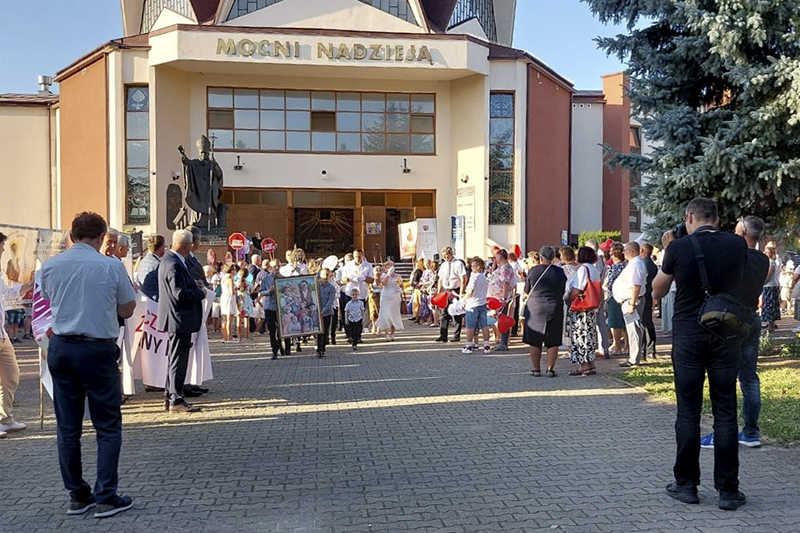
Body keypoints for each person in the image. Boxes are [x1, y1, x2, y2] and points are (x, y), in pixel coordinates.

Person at [653, 197, 749, 511]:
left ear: (690, 217)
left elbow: (660, 289)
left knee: (688, 412)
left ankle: (686, 485)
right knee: (725, 411)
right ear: (717, 219)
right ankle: (728, 491)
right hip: (725, 334)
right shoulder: (736, 245)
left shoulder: (678, 248)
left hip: (689, 336)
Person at [40, 212, 137, 517]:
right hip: (97, 348)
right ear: (100, 237)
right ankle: (106, 495)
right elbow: (128, 307)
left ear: (72, 235)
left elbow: (47, 298)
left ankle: (77, 495)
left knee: (67, 428)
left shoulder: (51, 265)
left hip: (61, 347)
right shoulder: (110, 265)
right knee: (107, 425)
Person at [699, 215, 769, 451]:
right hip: (752, 318)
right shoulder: (763, 260)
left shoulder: (734, 256)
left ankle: (722, 433)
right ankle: (751, 431)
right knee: (749, 377)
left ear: (741, 233)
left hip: (730, 319)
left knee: (724, 376)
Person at [157, 229, 207, 414]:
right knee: (178, 361)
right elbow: (178, 293)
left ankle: (170, 396)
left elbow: (178, 286)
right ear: (186, 245)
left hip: (178, 319)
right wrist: (200, 293)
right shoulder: (173, 263)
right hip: (178, 319)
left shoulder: (173, 260)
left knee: (175, 360)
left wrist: (194, 283)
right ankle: (176, 399)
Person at [0, 232, 33, 438]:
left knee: (11, 375)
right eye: (1, 247)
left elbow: (8, 293)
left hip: (1, 334)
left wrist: (29, 285)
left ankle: (5, 417)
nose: (3, 250)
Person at [523, 246, 567, 377]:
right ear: (553, 257)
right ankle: (550, 369)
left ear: (541, 257)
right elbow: (563, 289)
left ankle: (536, 369)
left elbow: (526, 290)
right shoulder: (559, 272)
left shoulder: (533, 271)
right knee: (553, 339)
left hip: (535, 307)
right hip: (554, 306)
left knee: (534, 339)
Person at [566, 247, 601, 376]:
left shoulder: (583, 269)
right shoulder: (594, 269)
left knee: (581, 335)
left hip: (582, 307)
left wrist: (569, 296)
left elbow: (578, 289)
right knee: (590, 335)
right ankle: (591, 364)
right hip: (591, 307)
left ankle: (584, 366)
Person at [614, 242, 648, 368]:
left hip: (632, 300)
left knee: (634, 330)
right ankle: (634, 357)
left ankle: (634, 359)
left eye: (625, 250)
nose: (623, 252)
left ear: (632, 252)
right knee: (632, 329)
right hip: (629, 300)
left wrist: (632, 304)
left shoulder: (636, 264)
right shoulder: (634, 264)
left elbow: (636, 285)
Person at [340, 249, 374, 341]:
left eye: (359, 257)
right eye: (356, 257)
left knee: (359, 314)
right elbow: (343, 279)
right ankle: (350, 334)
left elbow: (372, 279)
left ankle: (358, 336)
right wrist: (350, 279)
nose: (358, 259)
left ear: (362, 256)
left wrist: (364, 278)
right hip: (350, 292)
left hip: (361, 293)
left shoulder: (368, 265)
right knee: (349, 314)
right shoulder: (348, 265)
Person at [435, 247, 467, 342]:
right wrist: (438, 292)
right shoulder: (444, 265)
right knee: (444, 313)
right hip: (446, 290)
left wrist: (461, 292)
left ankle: (456, 335)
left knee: (456, 312)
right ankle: (443, 335)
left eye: (447, 255)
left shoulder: (458, 264)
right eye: (444, 255)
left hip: (455, 290)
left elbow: (463, 279)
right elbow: (440, 279)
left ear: (451, 253)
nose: (445, 257)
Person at [461, 257, 491, 354]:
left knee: (470, 326)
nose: (471, 268)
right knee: (484, 325)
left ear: (478, 267)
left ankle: (469, 345)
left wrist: (463, 299)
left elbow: (470, 291)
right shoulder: (484, 277)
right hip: (482, 303)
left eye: (473, 266)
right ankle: (487, 346)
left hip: (473, 304)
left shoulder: (474, 276)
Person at [488, 249, 515, 350]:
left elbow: (506, 283)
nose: (495, 259)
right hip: (496, 297)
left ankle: (504, 342)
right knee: (498, 319)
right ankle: (502, 341)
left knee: (502, 319)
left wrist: (504, 297)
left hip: (501, 298)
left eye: (496, 257)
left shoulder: (505, 268)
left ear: (500, 256)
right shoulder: (501, 267)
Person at [604, 243, 628, 355]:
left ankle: (617, 346)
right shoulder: (626, 265)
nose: (609, 253)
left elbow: (609, 284)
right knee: (624, 323)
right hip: (624, 296)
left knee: (615, 323)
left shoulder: (615, 267)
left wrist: (603, 286)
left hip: (614, 296)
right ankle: (627, 345)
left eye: (611, 252)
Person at [375, 261, 405, 341]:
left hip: (394, 297)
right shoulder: (383, 275)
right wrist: (388, 274)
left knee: (393, 314)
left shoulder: (398, 276)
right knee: (385, 315)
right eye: (387, 266)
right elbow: (384, 283)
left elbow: (402, 286)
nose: (389, 267)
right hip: (385, 297)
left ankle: (392, 333)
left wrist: (400, 288)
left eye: (391, 266)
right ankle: (386, 333)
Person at [258, 260, 282, 359]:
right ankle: (274, 349)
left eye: (278, 266)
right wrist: (268, 291)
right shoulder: (266, 279)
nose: (276, 268)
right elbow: (261, 292)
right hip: (269, 306)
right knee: (272, 329)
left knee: (281, 329)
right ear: (270, 267)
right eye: (274, 266)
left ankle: (281, 345)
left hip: (280, 306)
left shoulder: (283, 278)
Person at [640, 243, 660, 359]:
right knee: (648, 322)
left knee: (644, 323)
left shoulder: (643, 264)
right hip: (649, 294)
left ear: (642, 250)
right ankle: (650, 349)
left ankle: (646, 349)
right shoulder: (652, 264)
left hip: (645, 294)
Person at [136, 235, 166, 301]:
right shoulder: (158, 264)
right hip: (156, 302)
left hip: (144, 300)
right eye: (164, 247)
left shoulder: (142, 262)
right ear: (160, 248)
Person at [660, 231, 677, 336]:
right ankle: (669, 327)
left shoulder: (671, 252)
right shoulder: (667, 252)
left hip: (672, 285)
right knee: (668, 307)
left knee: (671, 308)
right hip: (670, 285)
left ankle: (672, 328)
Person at [316, 268, 337, 357]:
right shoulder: (317, 286)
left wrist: (324, 309)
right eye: (323, 274)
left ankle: (323, 346)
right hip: (317, 311)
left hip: (327, 311)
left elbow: (331, 300)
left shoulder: (331, 287)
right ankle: (319, 348)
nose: (325, 277)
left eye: (327, 275)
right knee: (319, 331)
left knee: (325, 330)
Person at [761, 245, 781, 332]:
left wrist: (763, 281)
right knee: (767, 304)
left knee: (771, 305)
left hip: (770, 285)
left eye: (767, 252)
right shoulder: (767, 261)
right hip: (768, 285)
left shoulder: (771, 262)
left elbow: (769, 274)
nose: (765, 253)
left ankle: (772, 325)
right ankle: (770, 323)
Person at [219, 264, 237, 342]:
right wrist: (236, 290)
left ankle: (225, 337)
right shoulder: (230, 279)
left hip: (223, 298)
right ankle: (230, 337)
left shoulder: (224, 278)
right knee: (230, 319)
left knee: (224, 319)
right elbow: (232, 292)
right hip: (229, 298)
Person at [368, 264, 383, 335]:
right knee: (373, 312)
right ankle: (374, 326)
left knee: (380, 312)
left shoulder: (383, 280)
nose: (378, 272)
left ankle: (379, 328)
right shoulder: (371, 280)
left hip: (381, 297)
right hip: (373, 298)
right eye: (376, 270)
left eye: (380, 270)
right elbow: (369, 288)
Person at [409, 258, 425, 323]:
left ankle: (417, 316)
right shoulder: (418, 271)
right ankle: (416, 316)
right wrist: (418, 284)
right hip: (418, 289)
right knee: (418, 303)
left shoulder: (422, 271)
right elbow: (414, 280)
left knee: (418, 303)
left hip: (418, 288)